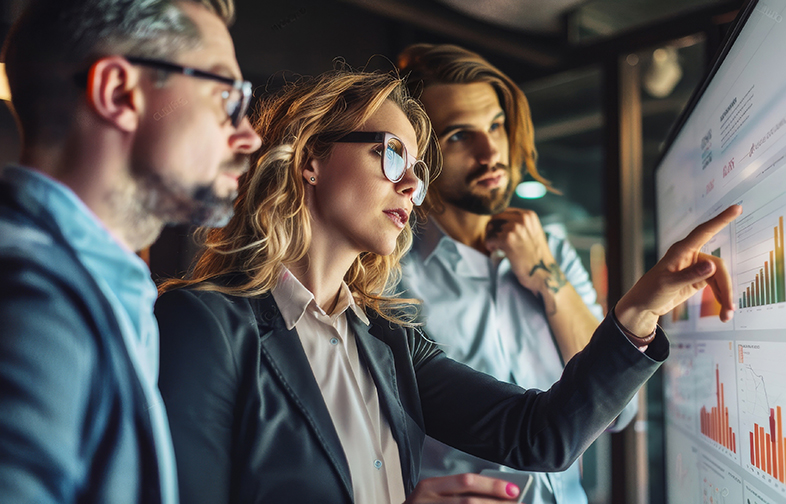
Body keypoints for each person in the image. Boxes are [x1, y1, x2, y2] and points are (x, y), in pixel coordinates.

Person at [154, 67, 740, 503]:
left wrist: (640, 309)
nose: (413, 183)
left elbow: (540, 436)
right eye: (391, 156)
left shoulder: (387, 338)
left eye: (417, 166)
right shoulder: (204, 323)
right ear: (311, 158)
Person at [0, 0, 261, 501]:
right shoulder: (31, 301)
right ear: (119, 93)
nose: (249, 136)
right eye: (227, 96)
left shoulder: (101, 287)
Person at [395, 43, 634, 504]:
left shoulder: (556, 253)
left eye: (496, 126)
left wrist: (547, 278)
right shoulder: (393, 280)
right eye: (460, 136)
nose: (490, 152)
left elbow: (617, 410)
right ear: (419, 155)